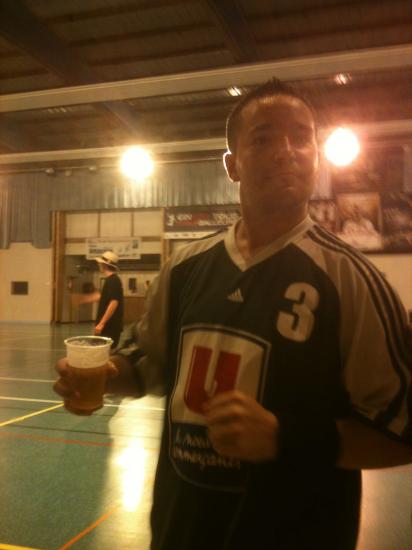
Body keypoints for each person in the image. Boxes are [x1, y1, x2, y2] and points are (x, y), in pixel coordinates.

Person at [54, 79, 412, 550]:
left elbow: (401, 433)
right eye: (263, 138)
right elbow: (145, 365)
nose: (286, 151)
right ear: (232, 165)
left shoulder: (353, 280)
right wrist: (105, 376)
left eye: (301, 137)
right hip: (181, 531)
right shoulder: (185, 267)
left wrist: (283, 438)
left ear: (317, 157)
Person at [72, 251, 124, 349]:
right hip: (108, 326)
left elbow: (114, 302)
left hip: (110, 326)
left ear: (105, 265)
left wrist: (101, 323)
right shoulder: (110, 280)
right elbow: (104, 297)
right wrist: (83, 299)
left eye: (100, 263)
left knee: (103, 352)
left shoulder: (113, 281)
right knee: (100, 351)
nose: (98, 265)